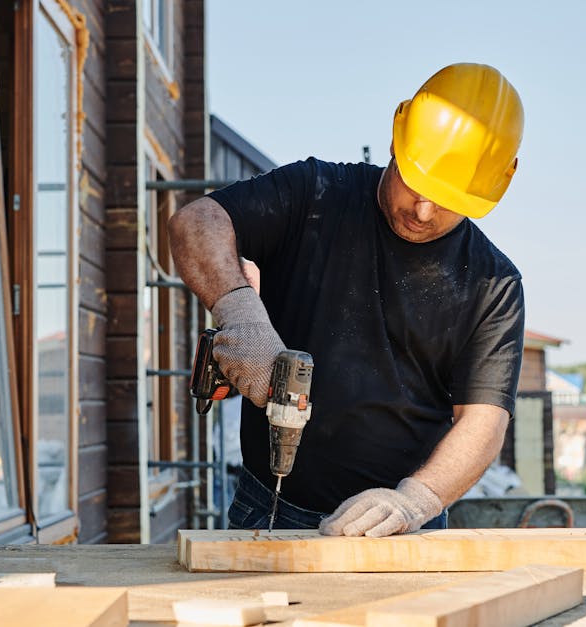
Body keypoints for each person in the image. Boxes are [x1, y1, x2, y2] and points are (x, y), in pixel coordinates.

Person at [168, 63, 526, 537]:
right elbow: (197, 222)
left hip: (401, 524)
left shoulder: (493, 283)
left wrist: (414, 501)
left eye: (447, 198)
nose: (423, 210)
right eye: (416, 184)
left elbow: (483, 424)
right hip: (271, 506)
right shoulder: (315, 194)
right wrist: (239, 312)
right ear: (396, 142)